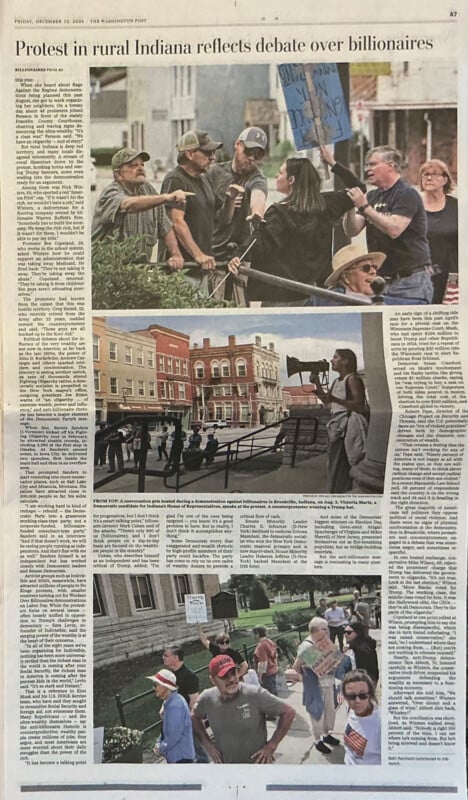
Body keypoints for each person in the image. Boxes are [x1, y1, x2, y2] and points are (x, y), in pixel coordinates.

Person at [227, 147, 365, 306]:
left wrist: (237, 255)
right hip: (316, 293)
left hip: (281, 296)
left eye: (280, 173)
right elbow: (359, 189)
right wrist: (333, 163)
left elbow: (257, 243)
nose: (276, 176)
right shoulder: (327, 205)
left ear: (291, 180)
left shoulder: (277, 213)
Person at [344, 145, 433, 304]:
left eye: (372, 164)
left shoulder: (406, 193)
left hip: (410, 281)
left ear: (391, 166)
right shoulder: (372, 196)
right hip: (381, 281)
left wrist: (364, 207)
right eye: (366, 165)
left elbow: (394, 229)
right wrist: (348, 207)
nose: (367, 169)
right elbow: (352, 230)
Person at [91, 147, 189, 264]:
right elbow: (128, 205)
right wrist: (166, 197)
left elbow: (166, 227)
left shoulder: (148, 190)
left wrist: (176, 255)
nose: (140, 168)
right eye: (133, 165)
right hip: (107, 272)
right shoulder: (110, 193)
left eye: (142, 165)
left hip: (138, 274)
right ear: (118, 174)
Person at [191, 654, 295, 763]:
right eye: (224, 676)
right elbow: (194, 717)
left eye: (233, 673)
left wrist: (272, 745)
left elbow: (289, 712)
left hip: (258, 765)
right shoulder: (207, 698)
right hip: (227, 766)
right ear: (213, 680)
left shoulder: (255, 694)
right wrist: (208, 745)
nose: (231, 679)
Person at [161, 130, 224, 292]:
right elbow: (176, 221)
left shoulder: (204, 179)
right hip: (183, 270)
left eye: (214, 153)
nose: (213, 157)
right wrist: (198, 255)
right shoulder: (175, 180)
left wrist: (231, 199)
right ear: (189, 153)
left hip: (202, 269)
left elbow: (218, 216)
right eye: (208, 152)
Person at [285, 617, 351, 755]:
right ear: (315, 630)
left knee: (329, 711)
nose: (327, 631)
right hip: (316, 686)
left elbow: (334, 660)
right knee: (317, 713)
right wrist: (307, 670)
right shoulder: (307, 646)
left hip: (329, 682)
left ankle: (326, 734)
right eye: (324, 629)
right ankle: (317, 740)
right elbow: (296, 667)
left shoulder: (324, 642)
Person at [208, 126, 268, 263]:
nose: (252, 158)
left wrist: (257, 212)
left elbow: (258, 194)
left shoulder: (257, 178)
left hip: (240, 257)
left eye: (257, 155)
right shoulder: (214, 173)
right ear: (237, 144)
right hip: (212, 253)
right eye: (248, 151)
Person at [312, 349, 367, 493]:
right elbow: (329, 403)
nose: (331, 360)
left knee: (341, 465)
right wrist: (317, 384)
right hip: (337, 428)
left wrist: (334, 399)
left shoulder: (352, 379)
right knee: (334, 465)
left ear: (346, 361)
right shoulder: (337, 381)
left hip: (347, 427)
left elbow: (359, 405)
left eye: (335, 357)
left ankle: (340, 493)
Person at [419, 159, 458, 303]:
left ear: (445, 179)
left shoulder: (457, 207)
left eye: (435, 174)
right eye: (425, 174)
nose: (429, 177)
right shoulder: (414, 205)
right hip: (420, 275)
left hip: (451, 273)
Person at [162, 645, 209, 763]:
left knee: (198, 750)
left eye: (166, 655)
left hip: (186, 720)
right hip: (174, 719)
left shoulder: (189, 676)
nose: (163, 658)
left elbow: (194, 701)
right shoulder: (171, 677)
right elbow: (168, 695)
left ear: (176, 657)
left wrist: (185, 722)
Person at [305, 243, 386, 306]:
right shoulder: (326, 301)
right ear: (346, 277)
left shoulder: (389, 300)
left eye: (374, 267)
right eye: (366, 268)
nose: (373, 272)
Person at [146, 668, 195, 763]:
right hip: (178, 757)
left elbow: (173, 736)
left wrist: (160, 748)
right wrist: (158, 742)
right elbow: (166, 731)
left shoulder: (175, 706)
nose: (153, 688)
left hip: (181, 758)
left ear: (165, 686)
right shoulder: (171, 701)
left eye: (155, 685)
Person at [342, 669, 381, 765]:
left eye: (363, 695)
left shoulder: (381, 723)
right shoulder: (350, 709)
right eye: (351, 696)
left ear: (370, 694)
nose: (357, 700)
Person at [252, 626, 279, 696]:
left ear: (257, 634)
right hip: (274, 670)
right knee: (274, 691)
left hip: (267, 673)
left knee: (269, 695)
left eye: (253, 634)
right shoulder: (270, 642)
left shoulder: (261, 646)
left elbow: (263, 662)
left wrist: (259, 676)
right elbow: (276, 655)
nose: (253, 636)